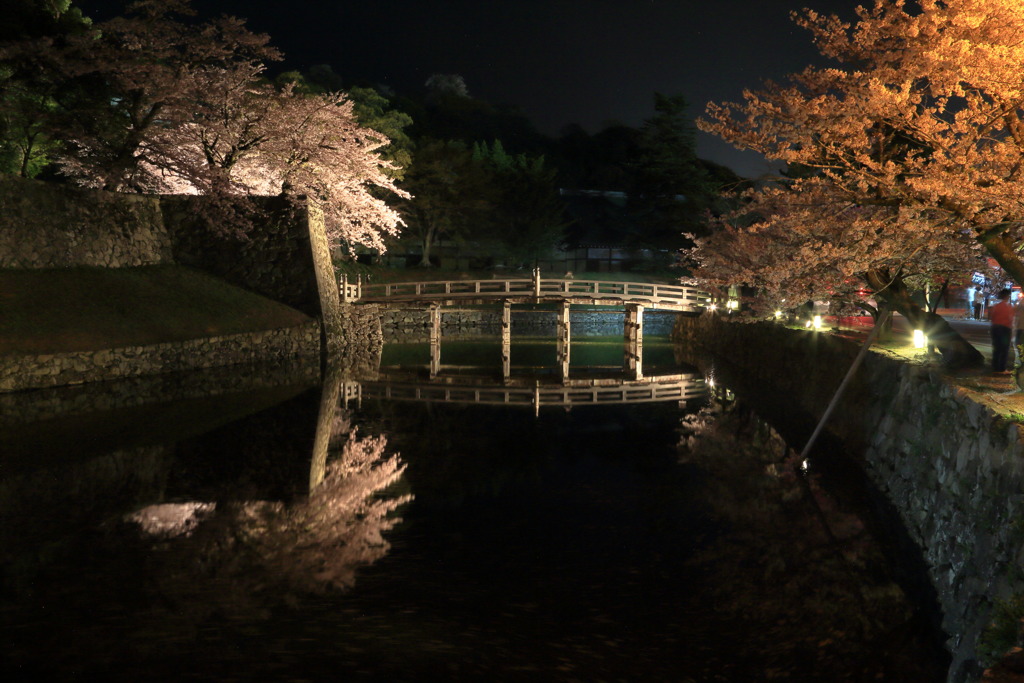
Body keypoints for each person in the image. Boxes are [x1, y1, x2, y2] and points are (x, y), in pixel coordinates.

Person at [989, 288, 1016, 373]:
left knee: (996, 348)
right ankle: (1002, 368)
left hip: (995, 328)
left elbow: (992, 317)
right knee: (1004, 349)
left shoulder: (996, 306)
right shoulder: (1009, 307)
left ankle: (995, 367)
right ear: (1007, 296)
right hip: (1005, 329)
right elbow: (1010, 319)